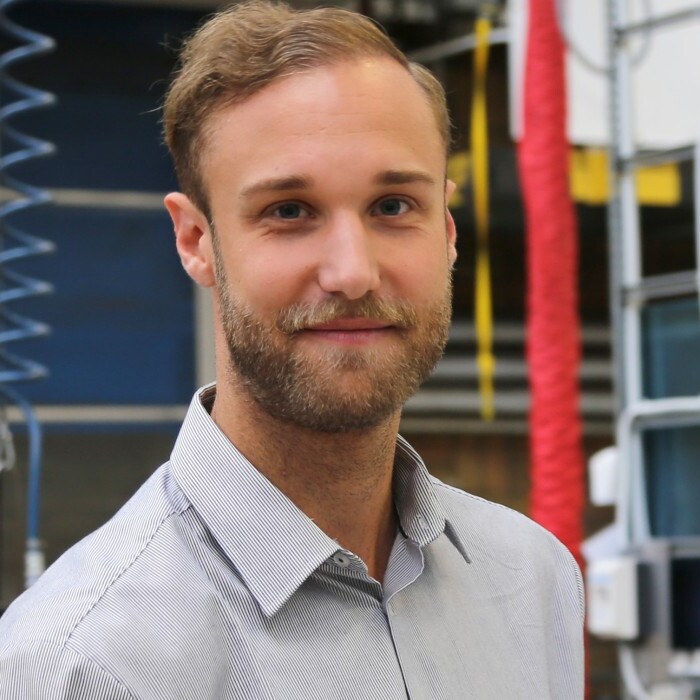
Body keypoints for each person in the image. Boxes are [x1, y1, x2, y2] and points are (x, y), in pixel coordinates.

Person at [0, 2, 584, 698]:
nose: (352, 273)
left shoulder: (531, 579)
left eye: (393, 205)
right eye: (288, 211)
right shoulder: (82, 664)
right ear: (196, 241)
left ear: (448, 229)